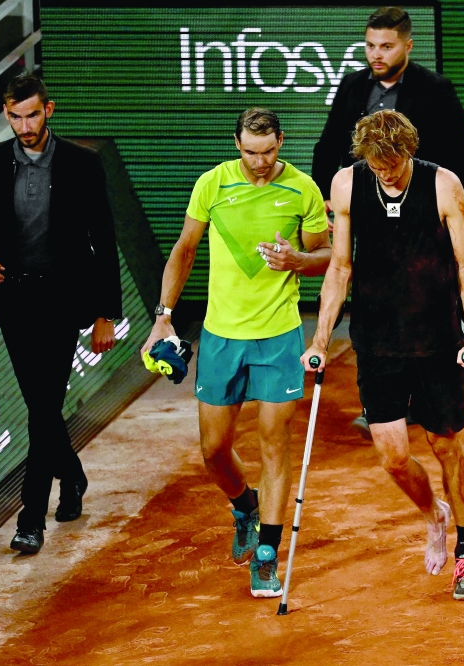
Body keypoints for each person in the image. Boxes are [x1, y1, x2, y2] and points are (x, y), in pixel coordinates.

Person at [141, 108, 331, 598]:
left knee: (274, 441)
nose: (260, 162)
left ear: (281, 143)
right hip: (221, 336)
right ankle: (244, 506)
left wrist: (298, 260)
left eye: (268, 152)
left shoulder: (303, 190)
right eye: (250, 151)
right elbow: (184, 250)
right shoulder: (212, 184)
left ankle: (267, 553)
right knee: (213, 450)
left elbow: (328, 257)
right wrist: (164, 315)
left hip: (279, 335)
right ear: (237, 144)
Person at [303, 110, 464, 601]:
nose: (385, 171)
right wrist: (320, 337)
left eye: (393, 162)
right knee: (393, 457)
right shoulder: (346, 185)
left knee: (445, 445)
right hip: (378, 339)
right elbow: (340, 267)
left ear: (408, 150)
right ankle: (435, 516)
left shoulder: (443, 186)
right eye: (376, 164)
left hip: (438, 339)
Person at [0, 74, 122, 553]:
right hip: (13, 300)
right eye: (14, 116)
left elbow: (103, 240)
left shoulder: (82, 163)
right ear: (6, 115)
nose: (24, 125)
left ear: (49, 110)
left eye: (31, 114)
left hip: (61, 301)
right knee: (42, 408)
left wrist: (104, 313)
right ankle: (71, 475)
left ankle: (31, 517)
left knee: (42, 409)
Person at [312, 5, 464, 439]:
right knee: (376, 289)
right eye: (369, 45)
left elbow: (459, 159)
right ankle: (387, 400)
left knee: (430, 293)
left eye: (385, 46)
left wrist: (455, 220)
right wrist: (326, 199)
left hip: (425, 211)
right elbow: (328, 145)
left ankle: (432, 393)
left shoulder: (436, 89)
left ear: (407, 45)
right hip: (368, 210)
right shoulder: (351, 86)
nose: (376, 54)